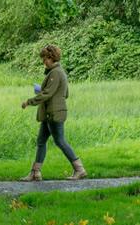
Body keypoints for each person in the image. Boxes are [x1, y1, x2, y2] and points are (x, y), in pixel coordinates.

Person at [21, 45, 87, 181]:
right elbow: (65, 93)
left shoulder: (56, 73)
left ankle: (79, 169)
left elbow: (48, 93)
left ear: (51, 57)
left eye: (44, 58)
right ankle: (35, 172)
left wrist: (29, 101)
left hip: (54, 113)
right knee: (41, 141)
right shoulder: (56, 72)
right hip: (50, 113)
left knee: (60, 141)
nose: (43, 61)